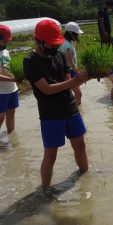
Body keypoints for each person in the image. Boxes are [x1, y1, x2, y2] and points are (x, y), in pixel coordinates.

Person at [23, 20, 90, 187]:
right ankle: (45, 191)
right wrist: (75, 80)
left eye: (56, 44)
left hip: (70, 108)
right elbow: (46, 89)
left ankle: (86, 180)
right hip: (51, 114)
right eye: (51, 44)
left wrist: (88, 76)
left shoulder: (59, 55)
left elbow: (69, 82)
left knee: (80, 146)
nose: (54, 47)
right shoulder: (30, 61)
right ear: (39, 41)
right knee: (51, 155)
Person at [0, 25, 19, 134]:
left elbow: (10, 67)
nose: (7, 41)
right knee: (1, 116)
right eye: (5, 39)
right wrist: (12, 79)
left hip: (12, 89)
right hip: (1, 91)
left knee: (11, 113)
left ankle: (11, 137)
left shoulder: (5, 51)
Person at [60, 22, 84, 105]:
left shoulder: (68, 42)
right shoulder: (66, 45)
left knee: (76, 93)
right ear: (71, 33)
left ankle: (76, 111)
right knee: (78, 94)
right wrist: (79, 73)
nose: (77, 35)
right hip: (69, 71)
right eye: (76, 33)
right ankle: (76, 113)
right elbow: (70, 62)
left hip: (71, 70)